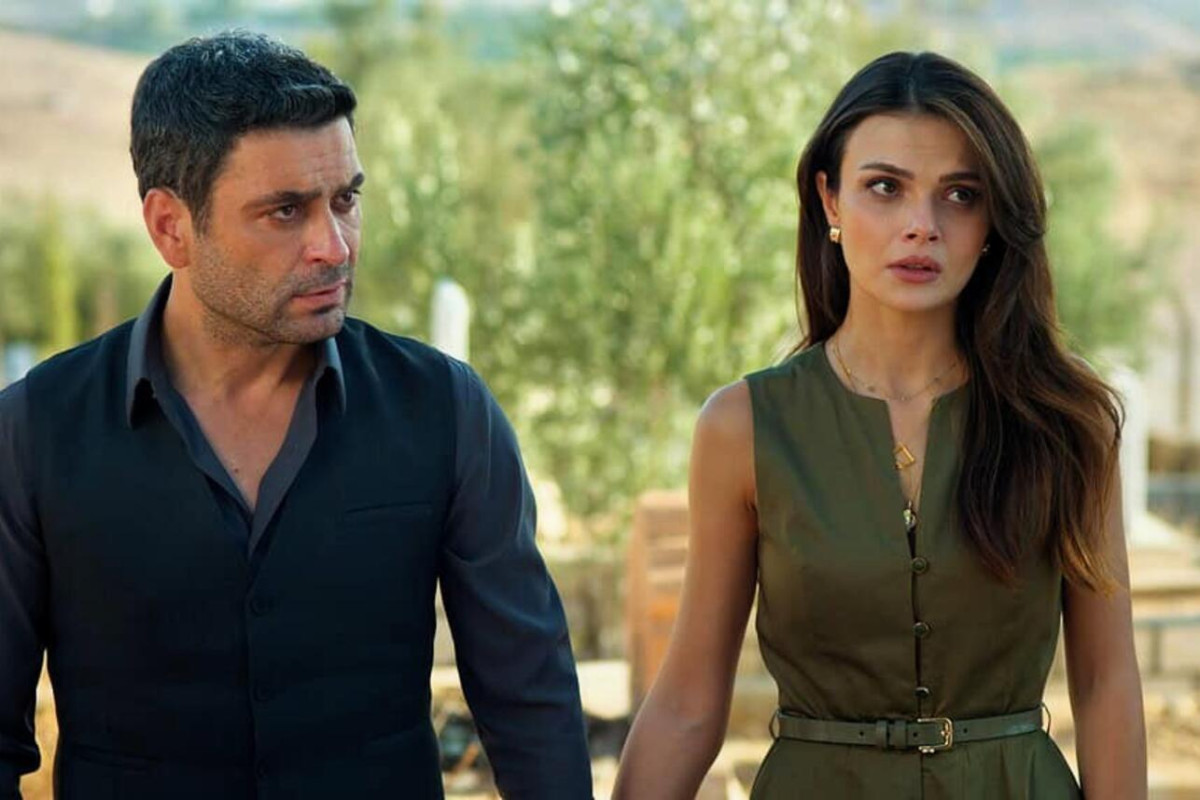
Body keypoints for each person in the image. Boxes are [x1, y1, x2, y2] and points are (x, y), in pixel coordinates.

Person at [0, 31, 592, 800]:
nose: (333, 247)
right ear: (170, 227)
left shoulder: (444, 411)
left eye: (345, 201)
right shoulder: (34, 433)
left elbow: (531, 706)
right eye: (285, 212)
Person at [613, 51, 1146, 799]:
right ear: (829, 199)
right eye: (885, 187)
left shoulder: (1068, 424)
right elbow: (687, 703)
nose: (921, 227)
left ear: (993, 220)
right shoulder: (744, 426)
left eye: (960, 194)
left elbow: (1106, 683)